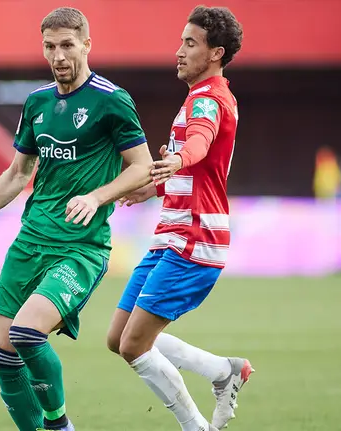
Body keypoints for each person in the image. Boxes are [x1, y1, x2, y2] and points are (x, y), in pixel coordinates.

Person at [0, 7, 153, 431]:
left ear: (86, 45)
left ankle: (59, 424)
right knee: (2, 356)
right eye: (49, 46)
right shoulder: (38, 102)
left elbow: (141, 167)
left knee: (27, 335)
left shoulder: (111, 101)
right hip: (31, 241)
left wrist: (97, 196)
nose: (58, 55)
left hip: (79, 248)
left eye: (66, 45)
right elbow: (18, 173)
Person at [105, 6, 250, 431]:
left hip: (195, 238)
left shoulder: (209, 100)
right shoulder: (197, 99)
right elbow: (195, 170)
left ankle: (196, 427)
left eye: (191, 44)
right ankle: (224, 372)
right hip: (171, 233)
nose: (179, 52)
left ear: (216, 53)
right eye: (181, 41)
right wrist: (152, 187)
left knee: (135, 344)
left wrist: (176, 161)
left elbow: (199, 147)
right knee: (119, 338)